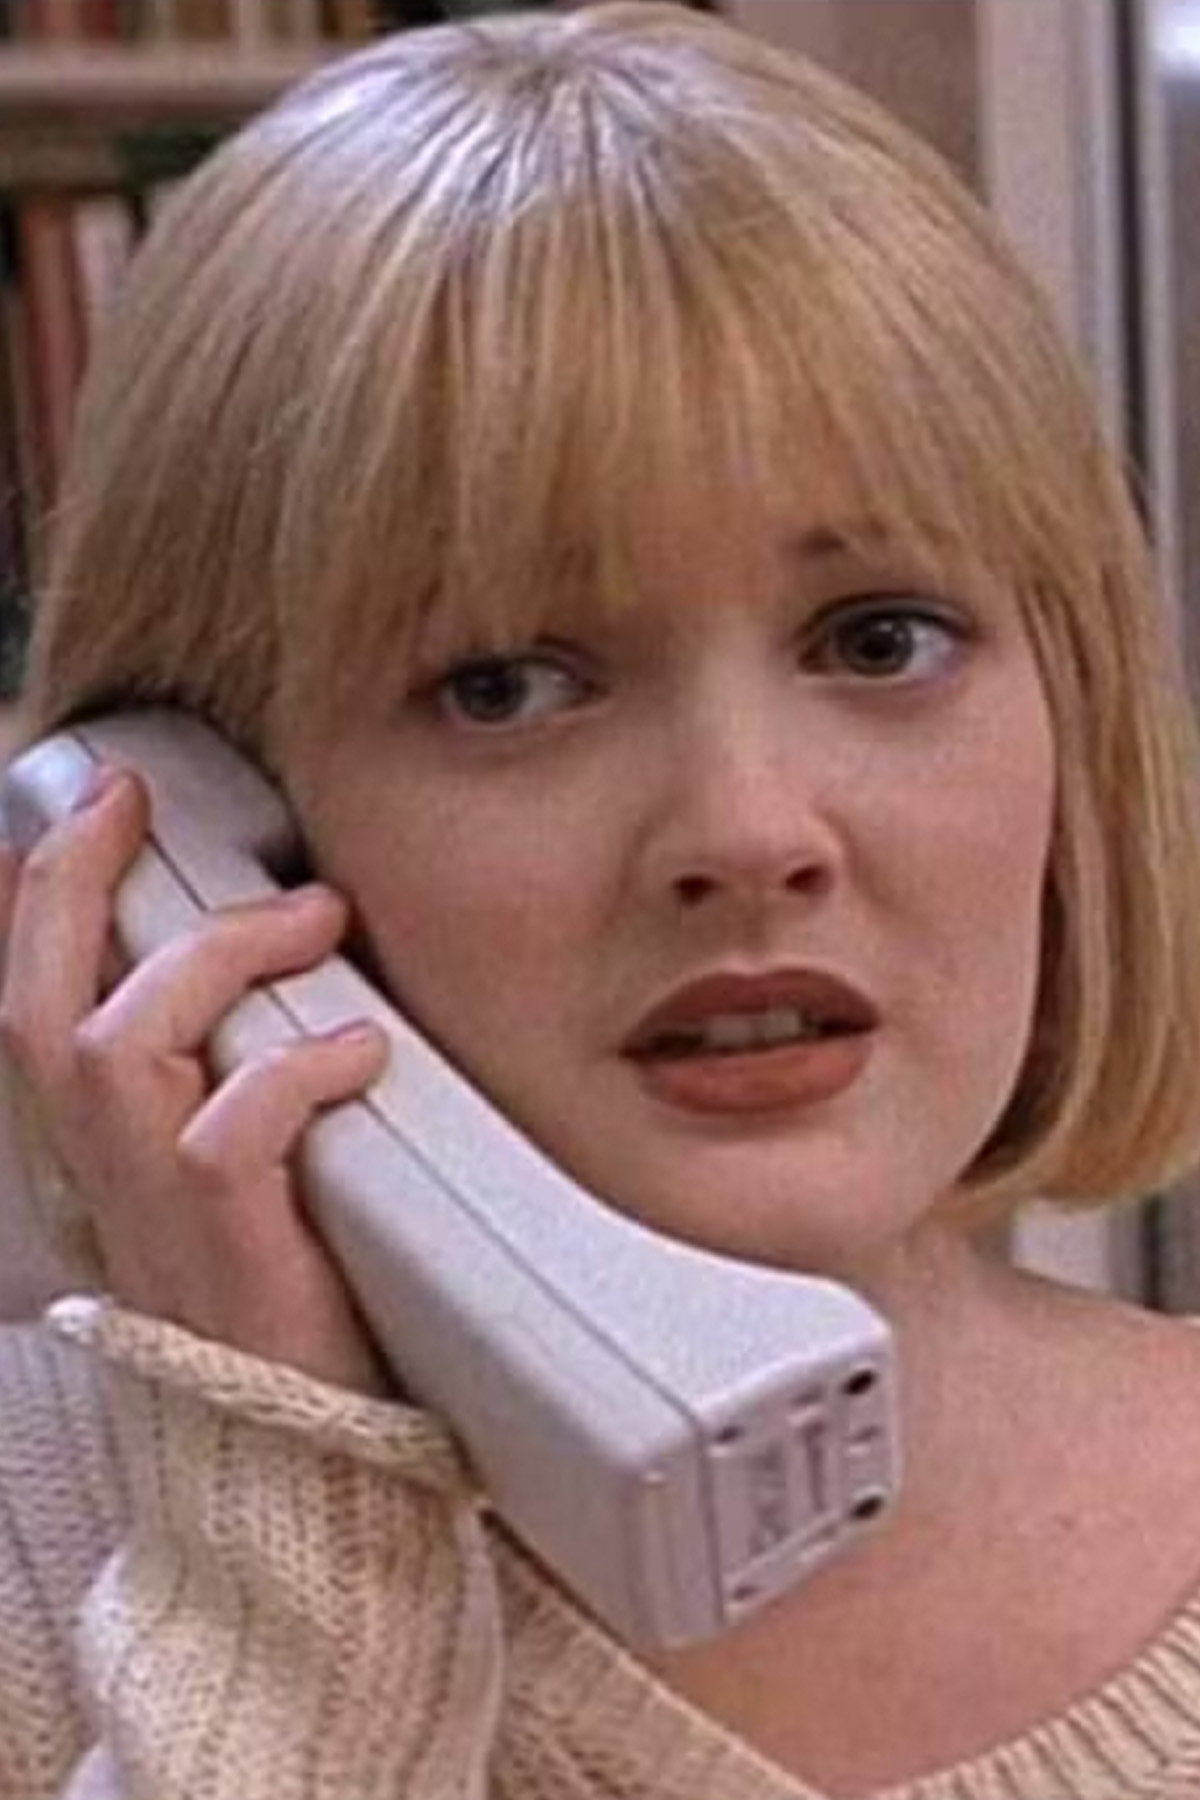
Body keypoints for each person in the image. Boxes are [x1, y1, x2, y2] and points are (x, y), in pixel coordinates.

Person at [4, 3, 1200, 1795]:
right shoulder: (32, 1554)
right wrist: (291, 1556)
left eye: (879, 638)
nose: (748, 830)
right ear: (191, 827)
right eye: (507, 684)